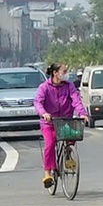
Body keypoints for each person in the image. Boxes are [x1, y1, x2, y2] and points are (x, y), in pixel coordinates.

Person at [35, 62, 84, 191]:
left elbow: (76, 100)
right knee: (50, 144)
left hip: (65, 120)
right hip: (49, 123)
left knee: (73, 136)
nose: (67, 74)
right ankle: (47, 174)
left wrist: (82, 113)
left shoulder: (69, 86)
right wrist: (44, 113)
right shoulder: (44, 87)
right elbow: (38, 102)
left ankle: (68, 156)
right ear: (55, 73)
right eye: (64, 71)